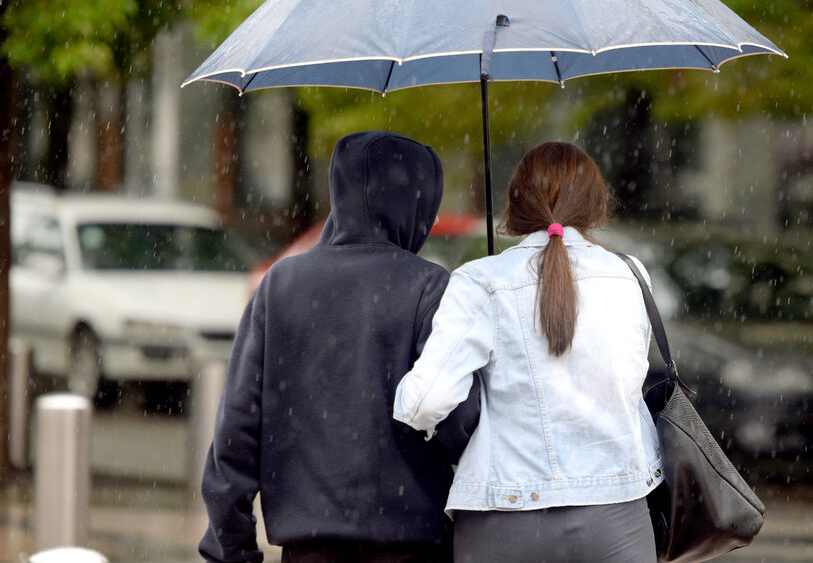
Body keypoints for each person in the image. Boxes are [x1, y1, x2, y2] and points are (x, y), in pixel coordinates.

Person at [200, 130, 479, 563]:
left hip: (307, 547)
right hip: (413, 547)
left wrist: (231, 547)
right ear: (418, 203)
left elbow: (236, 429)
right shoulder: (430, 288)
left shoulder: (281, 284)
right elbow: (461, 425)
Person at [394, 142, 663, 563]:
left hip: (504, 518)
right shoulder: (632, 275)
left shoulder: (482, 281)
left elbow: (427, 400)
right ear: (597, 205)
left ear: (515, 205)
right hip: (616, 516)